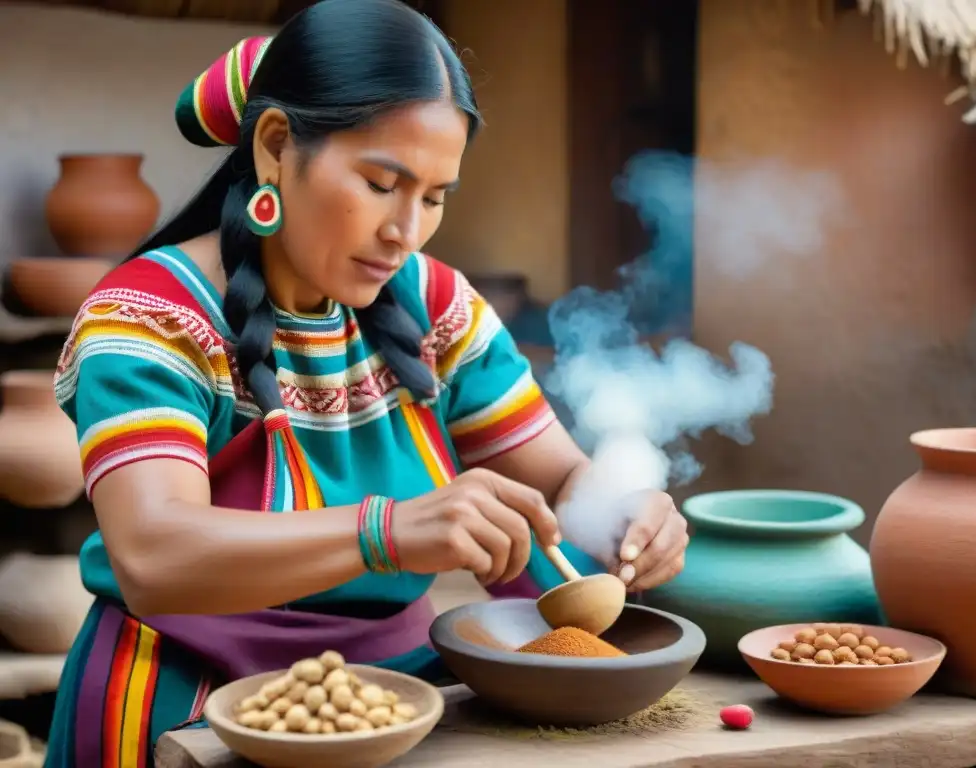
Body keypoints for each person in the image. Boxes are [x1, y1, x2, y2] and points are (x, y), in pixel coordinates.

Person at [44, 1, 689, 765]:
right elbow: (153, 554)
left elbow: (563, 482)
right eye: (383, 182)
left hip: (396, 708)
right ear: (278, 146)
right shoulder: (150, 316)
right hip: (178, 713)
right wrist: (387, 531)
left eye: (435, 196)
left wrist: (627, 511)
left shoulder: (439, 306)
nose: (405, 230)